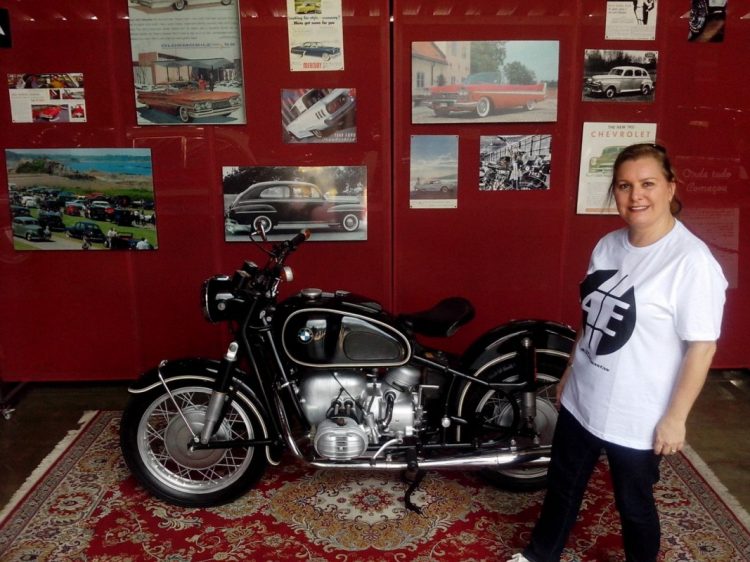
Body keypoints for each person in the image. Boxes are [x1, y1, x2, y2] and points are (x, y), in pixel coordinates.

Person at [507, 143, 727, 562]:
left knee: (633, 504)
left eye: (647, 184)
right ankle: (540, 555)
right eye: (624, 186)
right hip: (585, 396)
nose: (635, 196)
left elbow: (702, 347)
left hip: (638, 413)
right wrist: (570, 371)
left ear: (670, 187)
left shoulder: (691, 262)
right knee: (562, 484)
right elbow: (591, 316)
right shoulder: (608, 246)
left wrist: (676, 418)